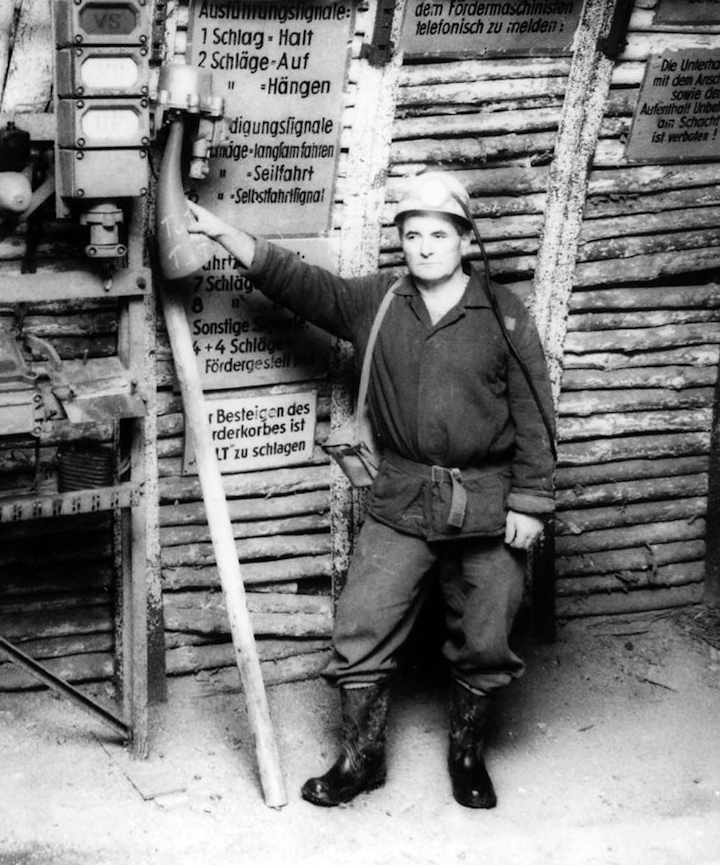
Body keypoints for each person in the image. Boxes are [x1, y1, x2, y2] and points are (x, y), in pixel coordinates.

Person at [182, 169, 555, 811]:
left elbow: (534, 412)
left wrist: (530, 503)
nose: (425, 247)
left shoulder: (503, 312)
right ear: (401, 242)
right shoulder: (378, 301)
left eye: (440, 234)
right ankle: (363, 757)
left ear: (466, 240)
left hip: (489, 498)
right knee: (362, 623)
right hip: (403, 494)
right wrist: (220, 232)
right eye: (413, 235)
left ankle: (467, 753)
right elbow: (302, 285)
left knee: (488, 630)